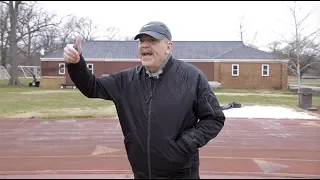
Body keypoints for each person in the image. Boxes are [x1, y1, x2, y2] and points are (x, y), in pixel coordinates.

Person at [63, 21, 225, 179]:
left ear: (169, 47)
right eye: (141, 41)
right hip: (142, 173)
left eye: (152, 40)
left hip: (181, 174)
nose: (145, 45)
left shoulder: (191, 77)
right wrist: (76, 64)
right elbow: (92, 87)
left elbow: (214, 118)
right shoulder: (126, 80)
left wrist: (183, 145)